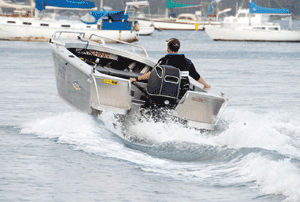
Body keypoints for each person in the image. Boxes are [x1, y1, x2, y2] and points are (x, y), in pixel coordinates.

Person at [130, 38, 211, 89]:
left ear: (168, 49)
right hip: (183, 91)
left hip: (167, 89)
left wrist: (136, 79)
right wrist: (205, 84)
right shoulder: (187, 62)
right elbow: (196, 76)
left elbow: (150, 75)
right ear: (178, 48)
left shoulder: (165, 61)